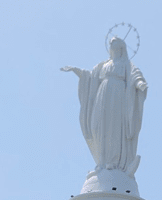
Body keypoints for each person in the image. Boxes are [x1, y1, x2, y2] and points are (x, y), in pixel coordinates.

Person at [62, 37, 148, 175]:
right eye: (110, 43)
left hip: (118, 95)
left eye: (114, 43)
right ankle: (101, 162)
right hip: (102, 94)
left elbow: (135, 76)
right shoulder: (103, 65)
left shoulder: (126, 63)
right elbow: (90, 77)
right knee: (98, 125)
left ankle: (112, 162)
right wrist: (76, 70)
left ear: (121, 47)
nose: (111, 45)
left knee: (113, 127)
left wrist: (140, 84)